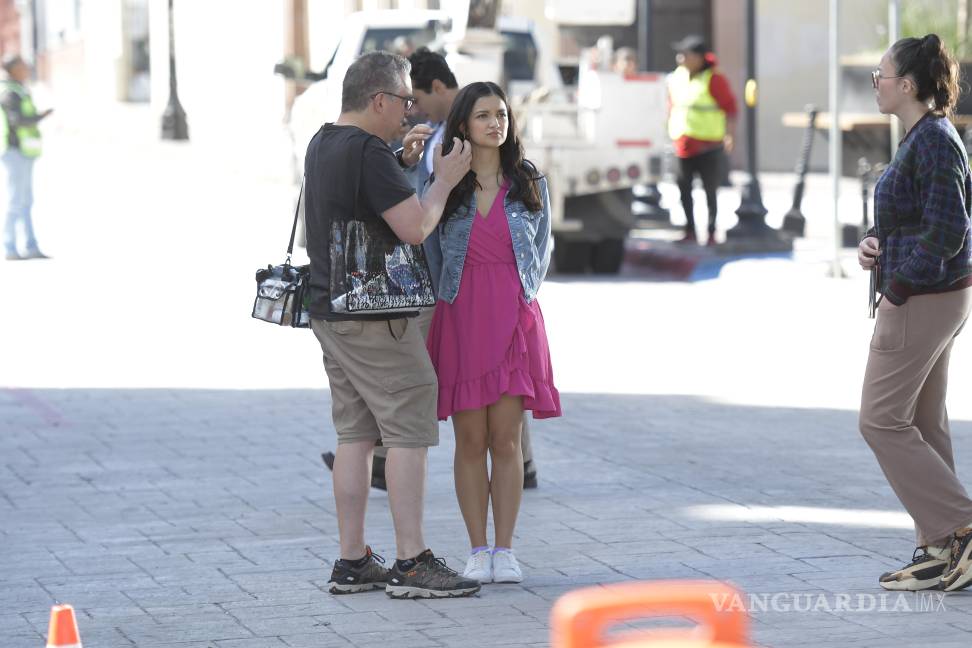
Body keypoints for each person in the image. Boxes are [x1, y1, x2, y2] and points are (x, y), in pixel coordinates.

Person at [321, 48, 542, 490]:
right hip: (441, 288)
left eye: (415, 99)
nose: (412, 110)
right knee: (439, 387)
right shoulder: (429, 143)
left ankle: (515, 460)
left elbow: (535, 239)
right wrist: (408, 162)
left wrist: (523, 287)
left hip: (448, 290)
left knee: (472, 381)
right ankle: (385, 456)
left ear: (438, 88)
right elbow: (424, 214)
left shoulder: (513, 171)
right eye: (406, 101)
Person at [304, 50, 480, 599]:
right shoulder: (367, 152)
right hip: (375, 315)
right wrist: (443, 179)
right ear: (379, 99)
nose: (410, 111)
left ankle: (353, 560)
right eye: (404, 101)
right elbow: (415, 227)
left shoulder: (324, 141)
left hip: (331, 308)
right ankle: (411, 561)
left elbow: (361, 206)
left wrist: (398, 163)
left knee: (355, 433)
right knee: (408, 427)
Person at [425, 81, 562, 584]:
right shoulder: (445, 182)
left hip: (513, 320)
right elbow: (428, 247)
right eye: (483, 115)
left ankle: (505, 550)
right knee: (470, 440)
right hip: (462, 317)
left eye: (501, 114)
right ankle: (476, 550)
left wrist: (523, 298)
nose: (495, 123)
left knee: (506, 441)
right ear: (463, 123)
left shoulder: (528, 181)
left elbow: (542, 248)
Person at [857, 34, 972, 593]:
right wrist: (875, 242)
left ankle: (961, 526)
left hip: (922, 298)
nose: (875, 85)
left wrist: (898, 286)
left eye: (879, 76)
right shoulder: (923, 137)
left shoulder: (934, 141)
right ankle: (939, 548)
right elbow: (917, 217)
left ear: (906, 85)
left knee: (880, 419)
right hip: (932, 295)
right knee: (924, 423)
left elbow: (949, 230)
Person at [666, 35, 737, 246]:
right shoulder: (677, 77)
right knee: (684, 190)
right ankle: (689, 231)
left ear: (698, 58)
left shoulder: (714, 79)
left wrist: (729, 135)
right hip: (682, 144)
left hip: (708, 145)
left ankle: (712, 232)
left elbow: (730, 108)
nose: (680, 58)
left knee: (710, 191)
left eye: (685, 54)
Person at [1, 55, 51, 261]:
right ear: (13, 69)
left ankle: (31, 246)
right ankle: (10, 247)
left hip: (24, 152)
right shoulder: (10, 92)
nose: (27, 68)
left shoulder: (19, 89)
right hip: (14, 152)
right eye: (22, 65)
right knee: (15, 201)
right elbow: (16, 120)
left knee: (26, 201)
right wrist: (40, 116)